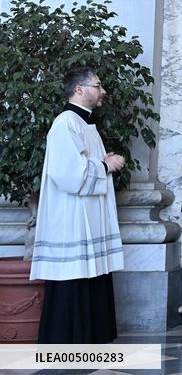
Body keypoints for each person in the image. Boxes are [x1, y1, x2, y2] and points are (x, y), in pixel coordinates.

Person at [31, 68, 125, 343]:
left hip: (86, 217)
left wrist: (101, 161)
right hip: (70, 218)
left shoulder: (84, 124)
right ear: (79, 89)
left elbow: (84, 164)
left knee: (89, 277)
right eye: (98, 85)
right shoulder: (65, 123)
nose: (103, 91)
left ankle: (91, 339)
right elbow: (69, 174)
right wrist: (106, 165)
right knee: (72, 279)